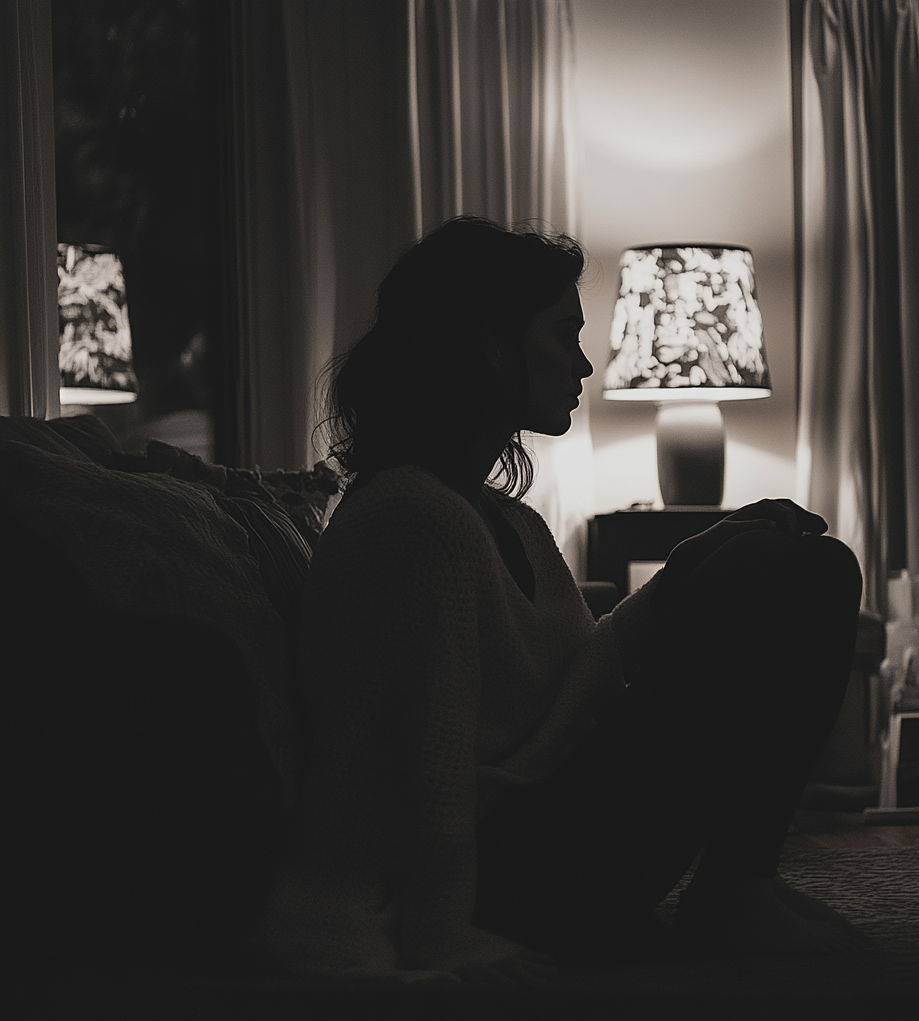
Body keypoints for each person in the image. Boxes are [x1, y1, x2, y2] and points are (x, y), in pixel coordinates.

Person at [257, 216, 869, 986]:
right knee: (795, 572)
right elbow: (432, 767)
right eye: (560, 336)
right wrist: (446, 934)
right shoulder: (414, 520)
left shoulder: (499, 516)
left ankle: (739, 884)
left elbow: (581, 680)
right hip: (505, 884)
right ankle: (734, 888)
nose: (582, 362)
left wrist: (694, 564)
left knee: (801, 562)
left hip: (548, 844)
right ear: (488, 345)